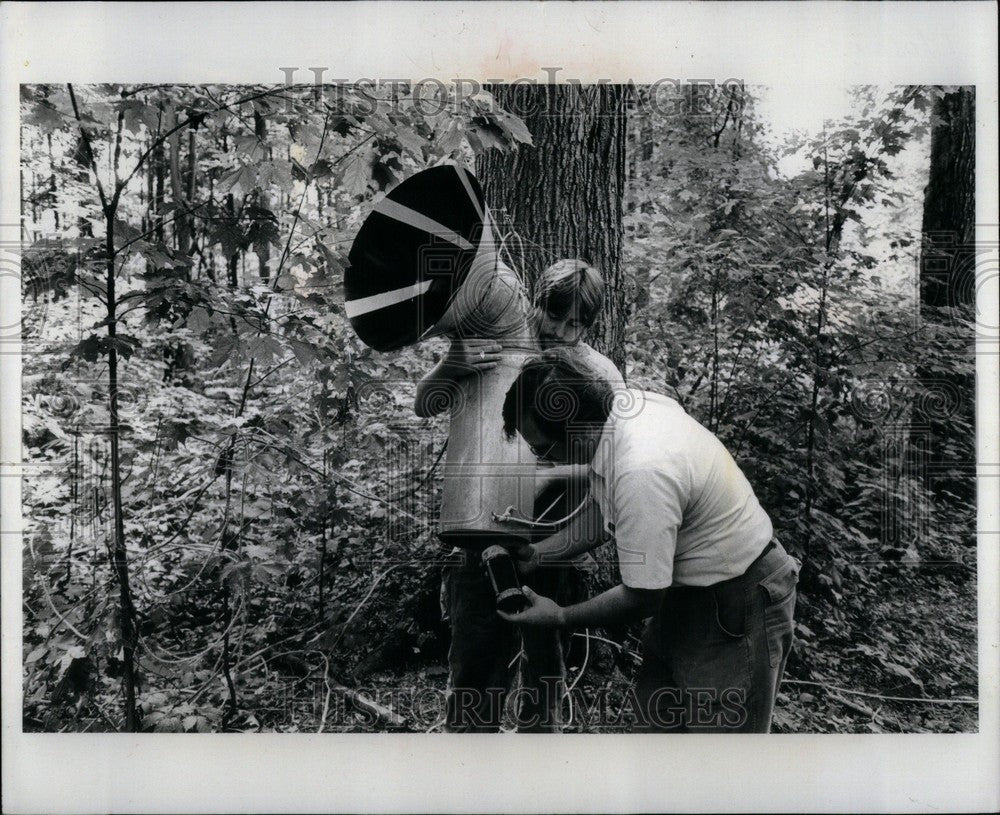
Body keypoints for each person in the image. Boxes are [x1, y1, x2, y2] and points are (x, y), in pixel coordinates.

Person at [499, 349, 799, 732]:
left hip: (739, 601)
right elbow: (610, 508)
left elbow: (643, 595)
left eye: (543, 449)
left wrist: (559, 617)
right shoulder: (625, 411)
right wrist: (538, 555)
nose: (542, 460)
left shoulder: (642, 470)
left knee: (724, 766)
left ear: (580, 429)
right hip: (687, 595)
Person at [415, 258, 622, 732]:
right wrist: (451, 363)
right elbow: (424, 403)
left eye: (577, 324)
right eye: (555, 317)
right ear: (536, 302)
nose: (564, 332)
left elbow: (609, 459)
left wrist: (549, 477)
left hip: (553, 543)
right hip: (479, 536)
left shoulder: (597, 372)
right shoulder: (493, 344)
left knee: (544, 670)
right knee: (474, 666)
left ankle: (537, 768)